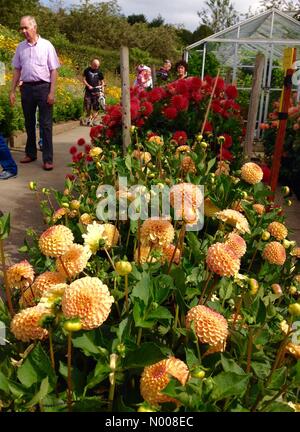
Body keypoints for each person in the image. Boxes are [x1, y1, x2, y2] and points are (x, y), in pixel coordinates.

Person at [10, 15, 60, 171]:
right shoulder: (20, 47)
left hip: (43, 88)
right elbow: (17, 69)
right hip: (26, 88)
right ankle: (31, 153)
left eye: (26, 27)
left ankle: (48, 158)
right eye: (21, 28)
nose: (23, 31)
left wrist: (52, 92)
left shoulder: (46, 45)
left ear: (34, 27)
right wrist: (12, 91)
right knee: (29, 122)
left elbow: (53, 70)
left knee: (45, 124)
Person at [82, 58, 105, 126]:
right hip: (88, 91)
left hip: (97, 92)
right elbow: (83, 79)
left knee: (96, 107)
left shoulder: (100, 72)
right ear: (92, 64)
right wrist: (88, 85)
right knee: (87, 106)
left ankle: (94, 120)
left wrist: (102, 92)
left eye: (97, 66)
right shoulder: (87, 70)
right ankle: (89, 118)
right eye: (95, 65)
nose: (96, 67)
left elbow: (102, 82)